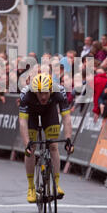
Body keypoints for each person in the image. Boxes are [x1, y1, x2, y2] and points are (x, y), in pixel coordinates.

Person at [19, 73, 74, 203]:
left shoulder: (59, 91)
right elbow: (22, 122)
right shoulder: (26, 94)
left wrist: (68, 139)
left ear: (51, 89)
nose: (43, 97)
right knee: (31, 149)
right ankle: (31, 187)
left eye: (46, 93)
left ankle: (56, 184)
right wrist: (26, 144)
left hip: (49, 112)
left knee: (53, 145)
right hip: (31, 114)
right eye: (40, 93)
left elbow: (66, 117)